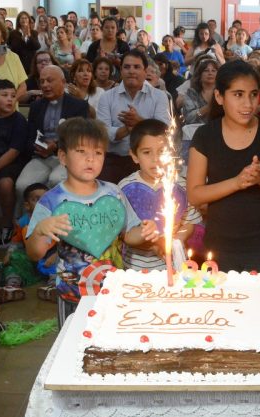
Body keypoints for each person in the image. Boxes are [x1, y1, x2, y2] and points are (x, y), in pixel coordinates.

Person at [25, 118, 159, 326]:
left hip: (114, 292)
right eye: (81, 152)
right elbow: (35, 253)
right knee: (73, 349)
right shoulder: (51, 200)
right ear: (63, 156)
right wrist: (41, 230)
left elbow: (129, 234)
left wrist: (146, 230)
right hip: (72, 296)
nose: (90, 159)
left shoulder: (114, 193)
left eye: (98, 153)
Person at [187, 60, 260, 272]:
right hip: (219, 245)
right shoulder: (206, 135)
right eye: (238, 94)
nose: (248, 103)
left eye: (253, 94)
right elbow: (195, 195)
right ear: (219, 97)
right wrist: (237, 182)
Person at [119, 119, 202, 270]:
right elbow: (125, 233)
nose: (155, 159)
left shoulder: (181, 185)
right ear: (134, 155)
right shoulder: (125, 188)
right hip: (137, 270)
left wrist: (174, 240)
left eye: (162, 151)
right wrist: (155, 243)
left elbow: (190, 222)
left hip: (176, 266)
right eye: (146, 152)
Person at [96, 50, 172, 184]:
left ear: (145, 71)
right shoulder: (106, 97)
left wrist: (139, 123)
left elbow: (163, 129)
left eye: (136, 67)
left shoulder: (159, 96)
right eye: (127, 67)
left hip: (149, 160)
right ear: (121, 70)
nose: (131, 71)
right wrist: (127, 128)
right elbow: (103, 133)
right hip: (114, 159)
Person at [15, 65, 90, 199]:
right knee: (22, 186)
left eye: (50, 81)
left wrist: (55, 146)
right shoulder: (36, 106)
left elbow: (79, 138)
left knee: (56, 180)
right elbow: (31, 135)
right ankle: (23, 218)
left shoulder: (79, 106)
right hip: (41, 156)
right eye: (42, 81)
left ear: (63, 82)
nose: (45, 85)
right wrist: (41, 147)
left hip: (68, 156)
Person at [0, 79, 29, 245]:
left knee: (5, 184)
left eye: (13, 96)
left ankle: (7, 224)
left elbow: (13, 151)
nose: (10, 99)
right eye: (5, 95)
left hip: (11, 162)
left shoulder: (19, 121)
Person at [182, 58, 219, 125]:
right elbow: (189, 118)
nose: (210, 73)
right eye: (206, 70)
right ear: (200, 75)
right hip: (197, 130)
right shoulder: (192, 93)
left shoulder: (223, 92)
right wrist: (208, 107)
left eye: (213, 70)